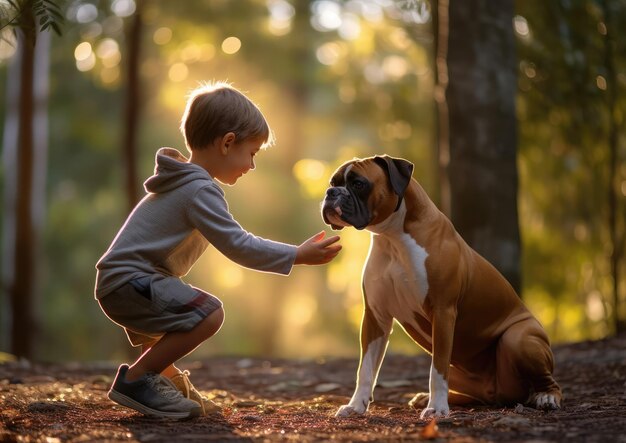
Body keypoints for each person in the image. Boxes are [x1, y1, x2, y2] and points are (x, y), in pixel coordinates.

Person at [94, 81, 342, 419]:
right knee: (209, 313)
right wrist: (296, 254)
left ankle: (170, 386)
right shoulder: (199, 189)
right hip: (130, 283)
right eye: (251, 153)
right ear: (227, 143)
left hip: (124, 283)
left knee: (173, 325)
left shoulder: (181, 182)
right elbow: (238, 244)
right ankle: (136, 380)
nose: (252, 165)